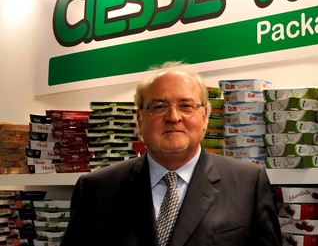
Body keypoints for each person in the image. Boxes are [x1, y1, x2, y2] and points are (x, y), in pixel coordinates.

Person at [61, 62, 282, 246]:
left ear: (205, 116)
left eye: (186, 106)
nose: (173, 117)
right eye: (158, 107)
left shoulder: (248, 184)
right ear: (139, 119)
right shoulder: (96, 189)